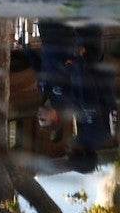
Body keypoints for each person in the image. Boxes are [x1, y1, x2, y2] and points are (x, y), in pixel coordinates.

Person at [31, 22, 116, 173]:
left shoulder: (105, 135)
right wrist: (78, 64)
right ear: (80, 152)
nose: (67, 147)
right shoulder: (92, 133)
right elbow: (87, 95)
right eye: (70, 152)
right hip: (90, 65)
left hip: (98, 67)